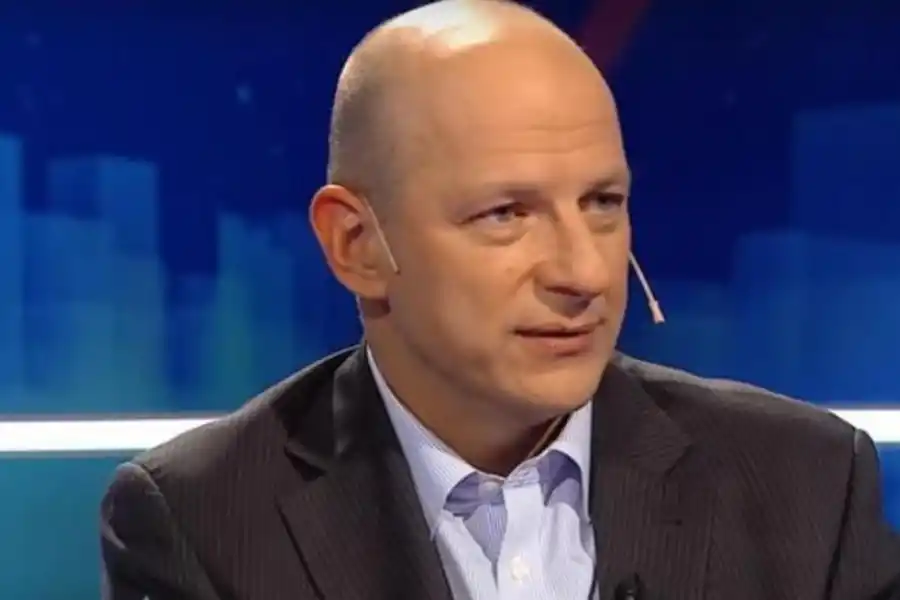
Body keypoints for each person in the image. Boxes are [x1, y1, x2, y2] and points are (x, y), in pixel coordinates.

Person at [100, 1, 900, 599]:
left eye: (603, 203)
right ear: (356, 244)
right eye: (506, 214)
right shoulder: (202, 523)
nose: (584, 273)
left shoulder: (806, 483)